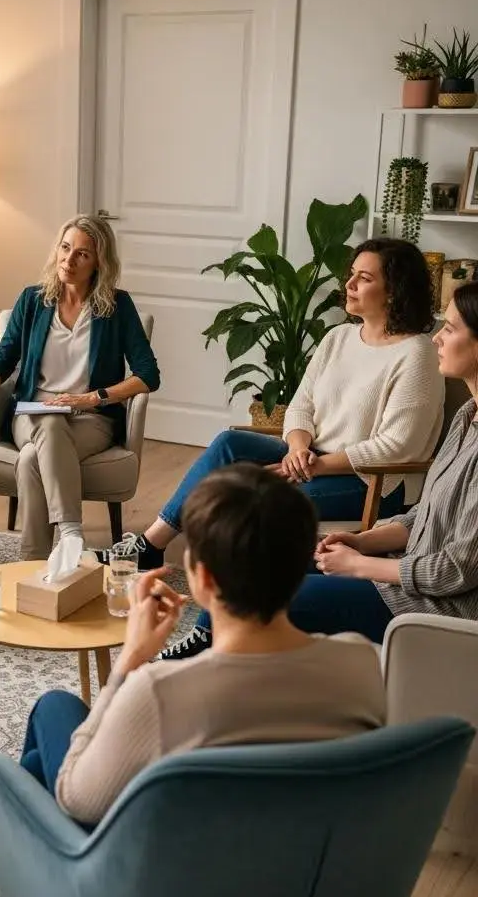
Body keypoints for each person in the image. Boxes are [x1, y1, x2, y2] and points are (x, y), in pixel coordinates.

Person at [0, 463, 386, 897]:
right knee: (38, 750)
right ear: (302, 568)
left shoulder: (160, 693)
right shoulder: (360, 664)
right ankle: (6, 844)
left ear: (201, 579)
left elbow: (77, 799)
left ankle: (18, 868)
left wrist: (129, 662)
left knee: (54, 709)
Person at [165, 280, 478, 658]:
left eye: (450, 328)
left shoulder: (417, 360)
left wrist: (360, 565)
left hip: (432, 609)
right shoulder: (467, 418)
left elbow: (456, 570)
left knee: (273, 602)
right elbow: (424, 518)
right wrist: (360, 542)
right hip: (403, 576)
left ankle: (209, 677)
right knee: (268, 565)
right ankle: (206, 649)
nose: (436, 339)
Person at [124, 238, 443, 592]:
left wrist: (315, 465)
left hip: (371, 483)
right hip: (309, 457)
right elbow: (301, 404)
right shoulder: (339, 336)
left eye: (364, 279)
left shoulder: (416, 354)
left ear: (395, 291)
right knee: (229, 443)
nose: (349, 285)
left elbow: (399, 446)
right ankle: (150, 545)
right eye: (351, 275)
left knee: (249, 500)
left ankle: (240, 597)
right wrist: (296, 448)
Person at [0, 215, 160, 560]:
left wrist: (93, 398)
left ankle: (32, 565)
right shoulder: (33, 300)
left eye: (82, 254)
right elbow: (3, 359)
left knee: (33, 459)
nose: (69, 259)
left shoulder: (117, 306)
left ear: (99, 263)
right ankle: (71, 534)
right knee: (49, 419)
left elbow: (148, 374)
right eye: (65, 248)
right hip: (31, 415)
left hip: (90, 419)